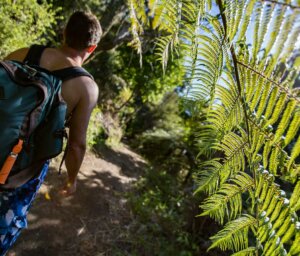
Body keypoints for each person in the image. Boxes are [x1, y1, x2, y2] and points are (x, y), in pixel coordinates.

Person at [0, 10, 102, 255]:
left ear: (64, 33)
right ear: (92, 48)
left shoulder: (25, 53)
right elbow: (76, 145)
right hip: (21, 170)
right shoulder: (86, 87)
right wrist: (72, 180)